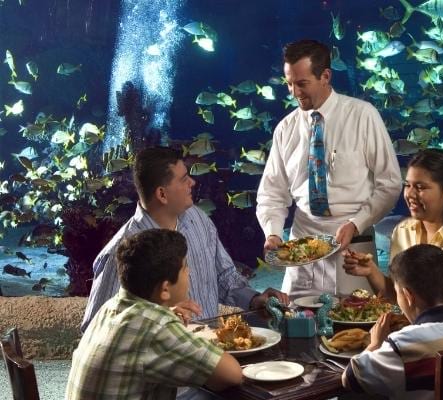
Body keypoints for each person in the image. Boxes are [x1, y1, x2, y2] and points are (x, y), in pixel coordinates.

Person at [82, 146, 288, 332]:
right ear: (162, 194)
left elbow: (224, 276)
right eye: (183, 179)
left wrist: (254, 300)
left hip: (211, 352)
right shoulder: (121, 252)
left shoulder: (197, 218)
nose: (193, 182)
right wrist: (159, 322)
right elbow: (95, 328)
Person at [256, 39, 402, 299]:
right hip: (302, 250)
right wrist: (274, 233)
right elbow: (272, 193)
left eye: (302, 84)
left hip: (353, 247)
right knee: (297, 324)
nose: (294, 92)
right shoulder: (285, 129)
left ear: (325, 76)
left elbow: (389, 183)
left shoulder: (362, 115)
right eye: (289, 83)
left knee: (356, 328)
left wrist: (356, 224)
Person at [66, 229, 242, 399]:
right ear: (165, 289)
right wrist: (167, 323)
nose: (189, 272)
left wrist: (167, 314)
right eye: (185, 268)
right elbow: (232, 374)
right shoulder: (156, 326)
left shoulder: (111, 307)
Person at [343, 148, 443, 332]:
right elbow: (403, 299)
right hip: (423, 339)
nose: (410, 194)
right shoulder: (403, 232)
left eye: (420, 187)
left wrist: (420, 343)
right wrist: (371, 272)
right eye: (407, 185)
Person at [342, 244, 443, 399]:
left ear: (408, 296)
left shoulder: (403, 345)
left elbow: (350, 379)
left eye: (397, 292)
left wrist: (375, 344)